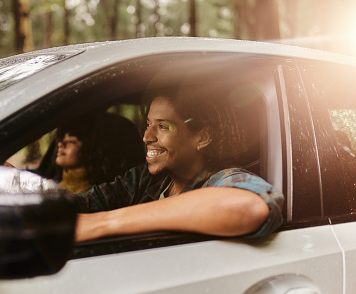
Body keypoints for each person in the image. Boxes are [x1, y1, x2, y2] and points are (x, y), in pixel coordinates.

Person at [74, 85, 284, 243]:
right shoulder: (143, 180)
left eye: (163, 126)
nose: (147, 136)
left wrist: (102, 223)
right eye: (148, 124)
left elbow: (251, 208)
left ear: (202, 138)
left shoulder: (222, 179)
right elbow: (81, 204)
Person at [54, 112, 145, 193]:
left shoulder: (93, 196)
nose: (60, 144)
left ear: (91, 150)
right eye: (62, 139)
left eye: (71, 142)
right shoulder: (54, 184)